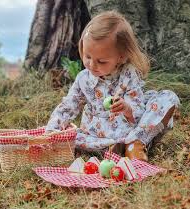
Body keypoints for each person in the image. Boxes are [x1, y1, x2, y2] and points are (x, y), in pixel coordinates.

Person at [46, 11, 180, 161]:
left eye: (101, 61)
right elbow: (68, 106)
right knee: (74, 137)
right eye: (87, 56)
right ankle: (112, 148)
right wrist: (51, 131)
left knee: (168, 98)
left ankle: (135, 143)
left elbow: (138, 112)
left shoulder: (129, 74)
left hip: (129, 129)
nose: (91, 65)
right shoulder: (83, 78)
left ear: (121, 57)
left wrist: (127, 109)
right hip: (97, 134)